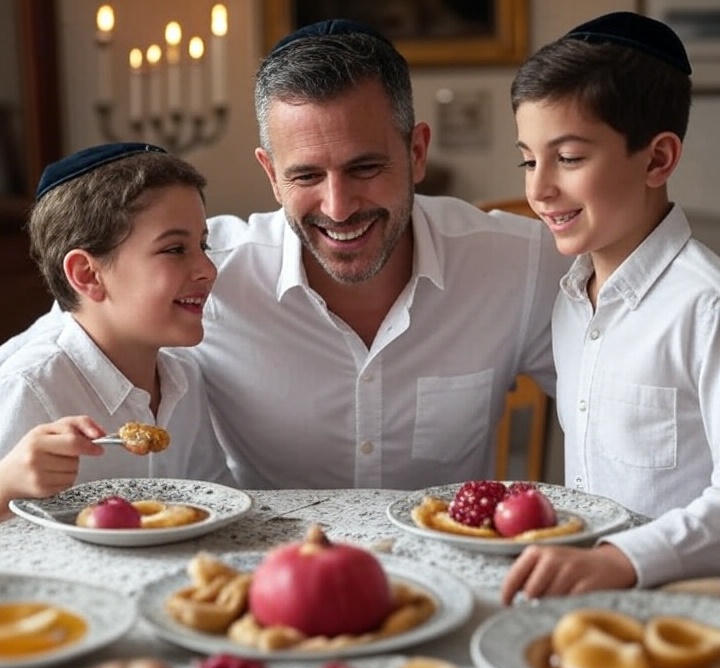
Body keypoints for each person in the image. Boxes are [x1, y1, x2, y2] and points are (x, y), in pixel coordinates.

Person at [1, 20, 568, 490]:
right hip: (262, 594)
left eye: (365, 168)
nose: (339, 207)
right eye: (305, 175)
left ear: (416, 152)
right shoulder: (199, 276)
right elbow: (74, 328)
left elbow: (610, 390)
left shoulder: (516, 261)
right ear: (271, 175)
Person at [502, 11, 720, 603]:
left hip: (687, 610)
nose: (539, 189)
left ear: (657, 160)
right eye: (529, 160)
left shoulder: (706, 308)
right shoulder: (570, 303)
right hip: (592, 603)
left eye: (569, 159)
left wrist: (623, 559)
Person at [0, 142, 233, 518]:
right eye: (175, 249)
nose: (207, 268)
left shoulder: (184, 377)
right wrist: (5, 484)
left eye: (203, 244)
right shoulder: (28, 386)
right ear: (87, 274)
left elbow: (215, 498)